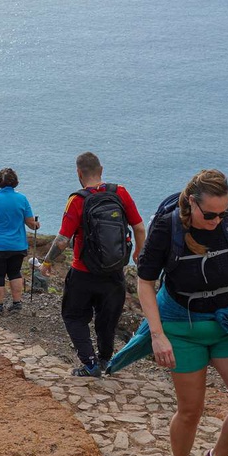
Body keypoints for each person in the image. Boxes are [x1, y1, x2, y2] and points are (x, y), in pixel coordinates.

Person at [133, 169, 228, 456]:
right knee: (191, 410)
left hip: (227, 323)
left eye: (223, 212)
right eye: (210, 214)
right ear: (192, 203)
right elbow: (145, 281)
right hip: (181, 326)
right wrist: (158, 336)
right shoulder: (167, 227)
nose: (217, 221)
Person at [41, 152, 145, 377]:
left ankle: (90, 364)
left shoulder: (77, 200)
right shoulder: (120, 192)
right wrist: (138, 251)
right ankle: (105, 360)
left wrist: (47, 262)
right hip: (115, 271)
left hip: (83, 273)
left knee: (73, 316)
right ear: (102, 170)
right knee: (107, 319)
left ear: (79, 173)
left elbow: (62, 240)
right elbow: (139, 227)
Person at [0, 167, 40, 315]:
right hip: (17, 244)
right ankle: (16, 303)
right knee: (15, 273)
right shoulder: (22, 199)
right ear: (15, 182)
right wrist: (36, 225)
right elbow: (30, 222)